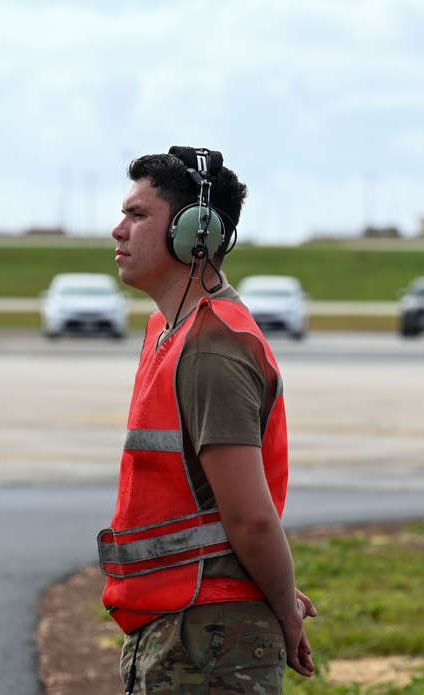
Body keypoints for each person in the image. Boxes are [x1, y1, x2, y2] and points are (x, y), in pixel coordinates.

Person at [99, 146, 315, 693]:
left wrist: (285, 610)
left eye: (138, 215)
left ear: (196, 233)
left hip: (209, 639)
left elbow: (252, 519)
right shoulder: (168, 332)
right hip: (182, 628)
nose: (118, 231)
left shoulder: (211, 348)